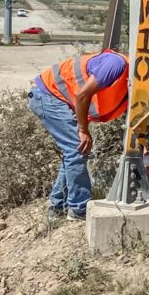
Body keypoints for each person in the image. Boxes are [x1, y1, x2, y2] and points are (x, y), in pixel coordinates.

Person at [30, 49, 131, 221]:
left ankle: (57, 207)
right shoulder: (116, 65)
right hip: (47, 96)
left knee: (75, 150)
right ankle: (79, 209)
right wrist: (83, 130)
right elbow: (82, 94)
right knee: (77, 149)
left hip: (57, 98)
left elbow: (132, 127)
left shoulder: (130, 90)